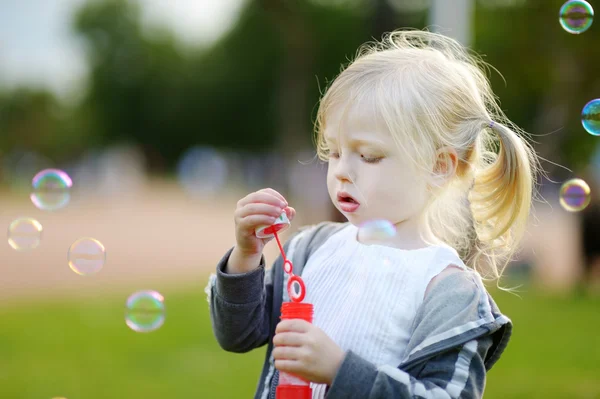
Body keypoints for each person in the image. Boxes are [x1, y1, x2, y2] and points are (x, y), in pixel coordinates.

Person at [206, 29, 538, 399]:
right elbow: (237, 334)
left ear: (439, 166)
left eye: (369, 156)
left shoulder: (448, 292)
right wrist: (246, 256)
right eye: (333, 152)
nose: (343, 171)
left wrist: (340, 370)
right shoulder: (311, 250)